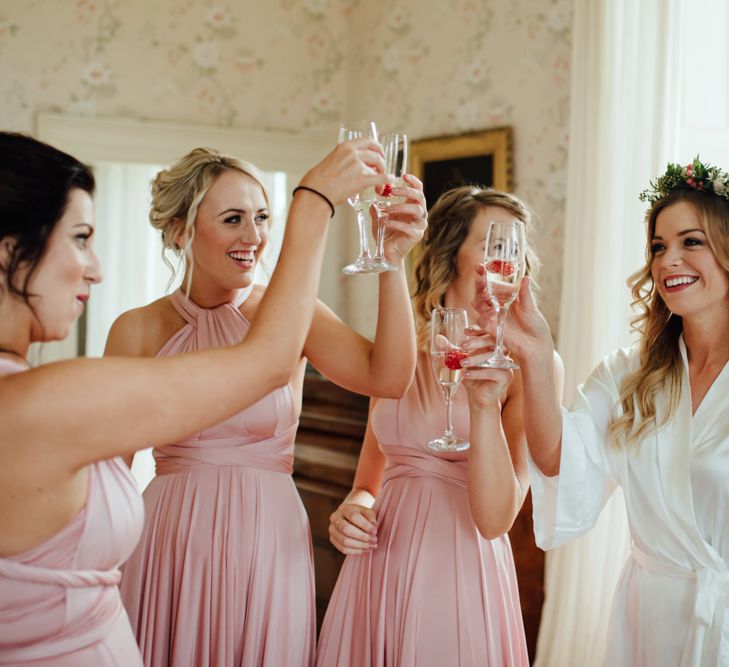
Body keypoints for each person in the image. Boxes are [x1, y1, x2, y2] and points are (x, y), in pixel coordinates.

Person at [0, 131, 388, 666]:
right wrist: (314, 202)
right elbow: (265, 363)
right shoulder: (46, 397)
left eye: (263, 216)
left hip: (263, 541)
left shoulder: (42, 394)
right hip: (159, 565)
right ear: (10, 254)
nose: (97, 269)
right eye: (80, 238)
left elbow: (363, 372)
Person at [108, 147, 428, 666]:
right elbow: (111, 478)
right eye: (233, 219)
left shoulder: (289, 315)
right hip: (170, 544)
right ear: (179, 231)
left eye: (261, 218)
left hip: (269, 541)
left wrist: (392, 262)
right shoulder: (137, 329)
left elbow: (388, 378)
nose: (254, 237)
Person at [482, 157, 729, 665]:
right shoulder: (630, 373)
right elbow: (559, 460)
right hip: (648, 620)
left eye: (691, 241)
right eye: (659, 247)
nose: (668, 261)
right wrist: (533, 354)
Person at [316, 186, 561, 666]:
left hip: (458, 573)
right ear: (451, 254)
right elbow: (367, 482)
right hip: (377, 569)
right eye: (494, 246)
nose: (508, 262)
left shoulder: (534, 365)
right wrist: (352, 511)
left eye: (515, 249)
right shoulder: (400, 351)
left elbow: (496, 520)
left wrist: (484, 403)